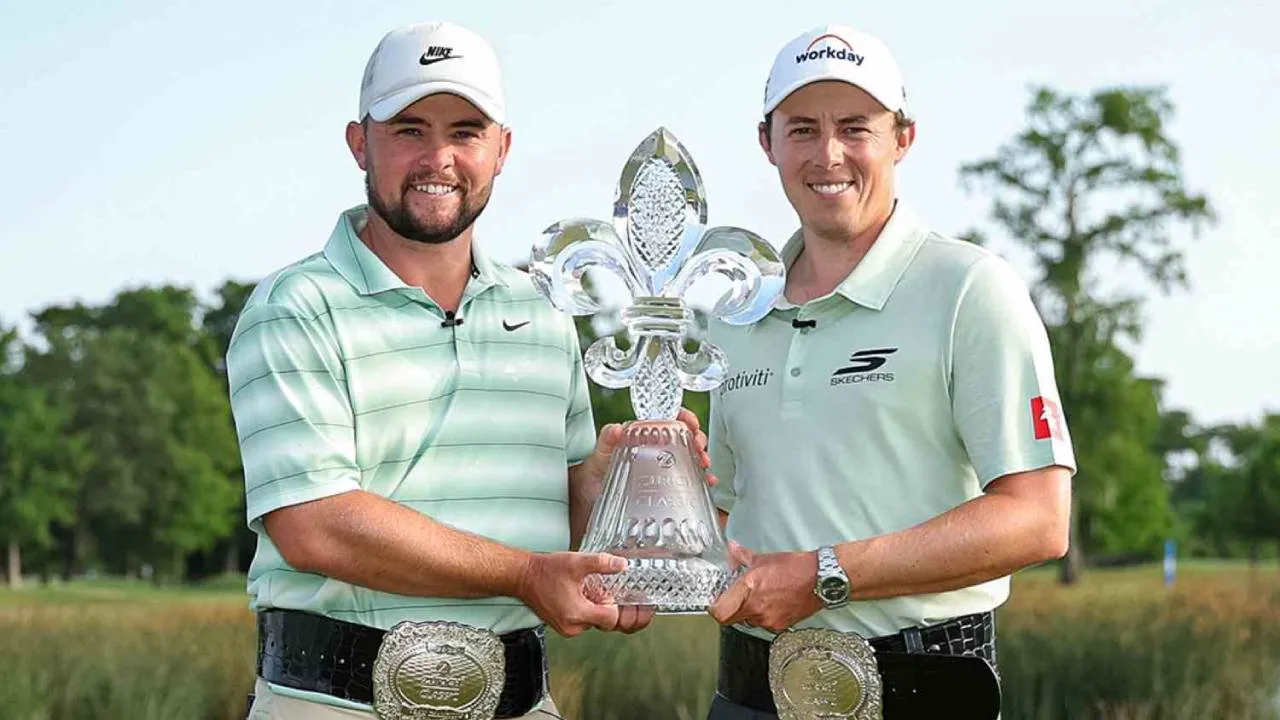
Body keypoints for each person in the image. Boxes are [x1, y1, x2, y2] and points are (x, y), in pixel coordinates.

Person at [227, 21, 708, 719]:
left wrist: (609, 486)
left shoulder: (544, 312)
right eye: (409, 130)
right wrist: (525, 575)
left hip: (523, 702)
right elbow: (315, 524)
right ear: (359, 143)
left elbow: (560, 526)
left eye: (465, 131)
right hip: (334, 703)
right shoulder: (296, 307)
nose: (439, 158)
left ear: (502, 148)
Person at [704, 24, 1076, 718]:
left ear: (903, 137)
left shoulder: (970, 289)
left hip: (922, 690)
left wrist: (827, 575)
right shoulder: (734, 311)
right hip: (747, 696)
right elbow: (725, 510)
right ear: (767, 142)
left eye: (856, 128)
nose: (829, 154)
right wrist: (651, 489)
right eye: (803, 129)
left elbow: (1038, 519)